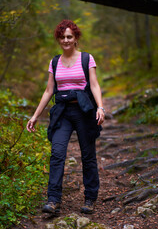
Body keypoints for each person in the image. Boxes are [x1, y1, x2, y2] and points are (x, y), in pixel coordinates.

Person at [26, 19, 105, 215]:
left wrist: (101, 108)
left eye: (69, 36)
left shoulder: (87, 59)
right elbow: (48, 91)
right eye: (62, 37)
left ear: (76, 38)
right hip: (62, 112)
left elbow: (94, 85)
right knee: (57, 153)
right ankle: (53, 201)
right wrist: (35, 115)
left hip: (84, 111)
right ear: (58, 39)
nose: (66, 40)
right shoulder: (54, 62)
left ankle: (90, 198)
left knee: (88, 156)